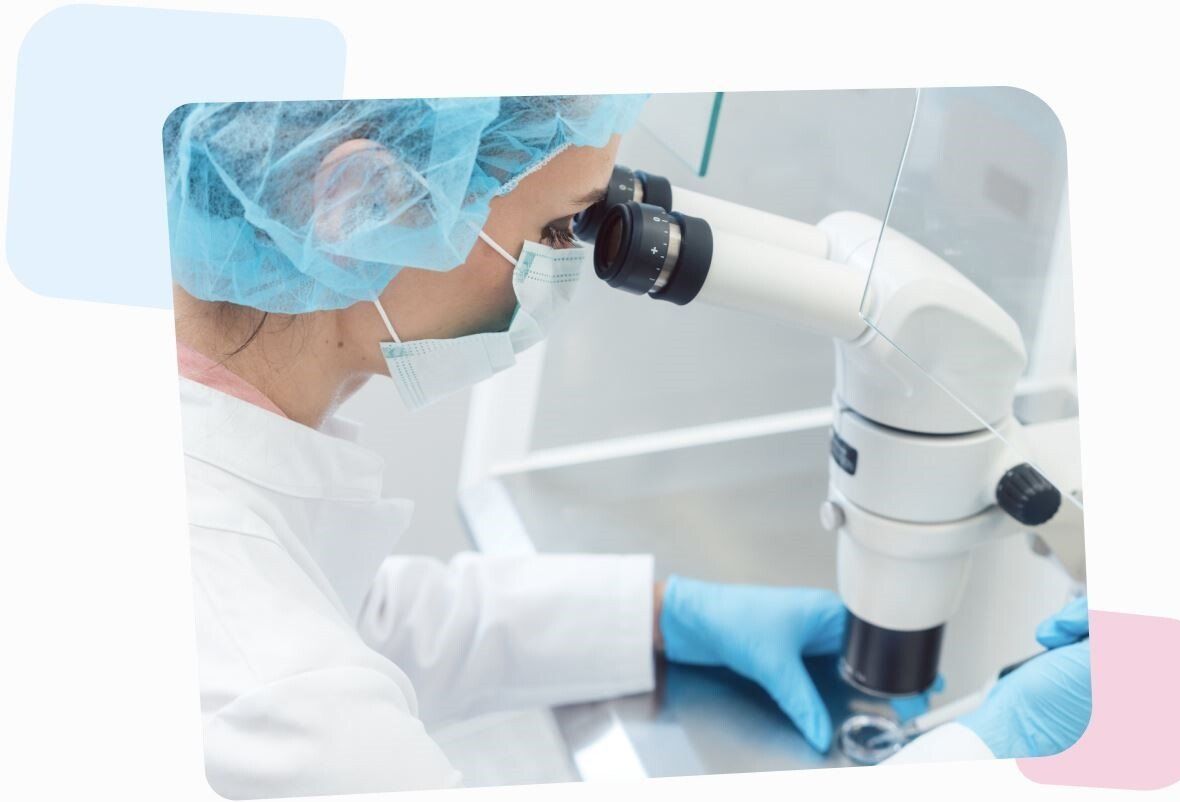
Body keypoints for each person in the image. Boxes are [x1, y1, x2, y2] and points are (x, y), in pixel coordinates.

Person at [165, 97, 1091, 798]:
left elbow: (358, 616)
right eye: (559, 226)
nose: (571, 263)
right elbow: (303, 669)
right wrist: (976, 758)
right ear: (362, 202)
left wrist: (658, 615)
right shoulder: (274, 698)